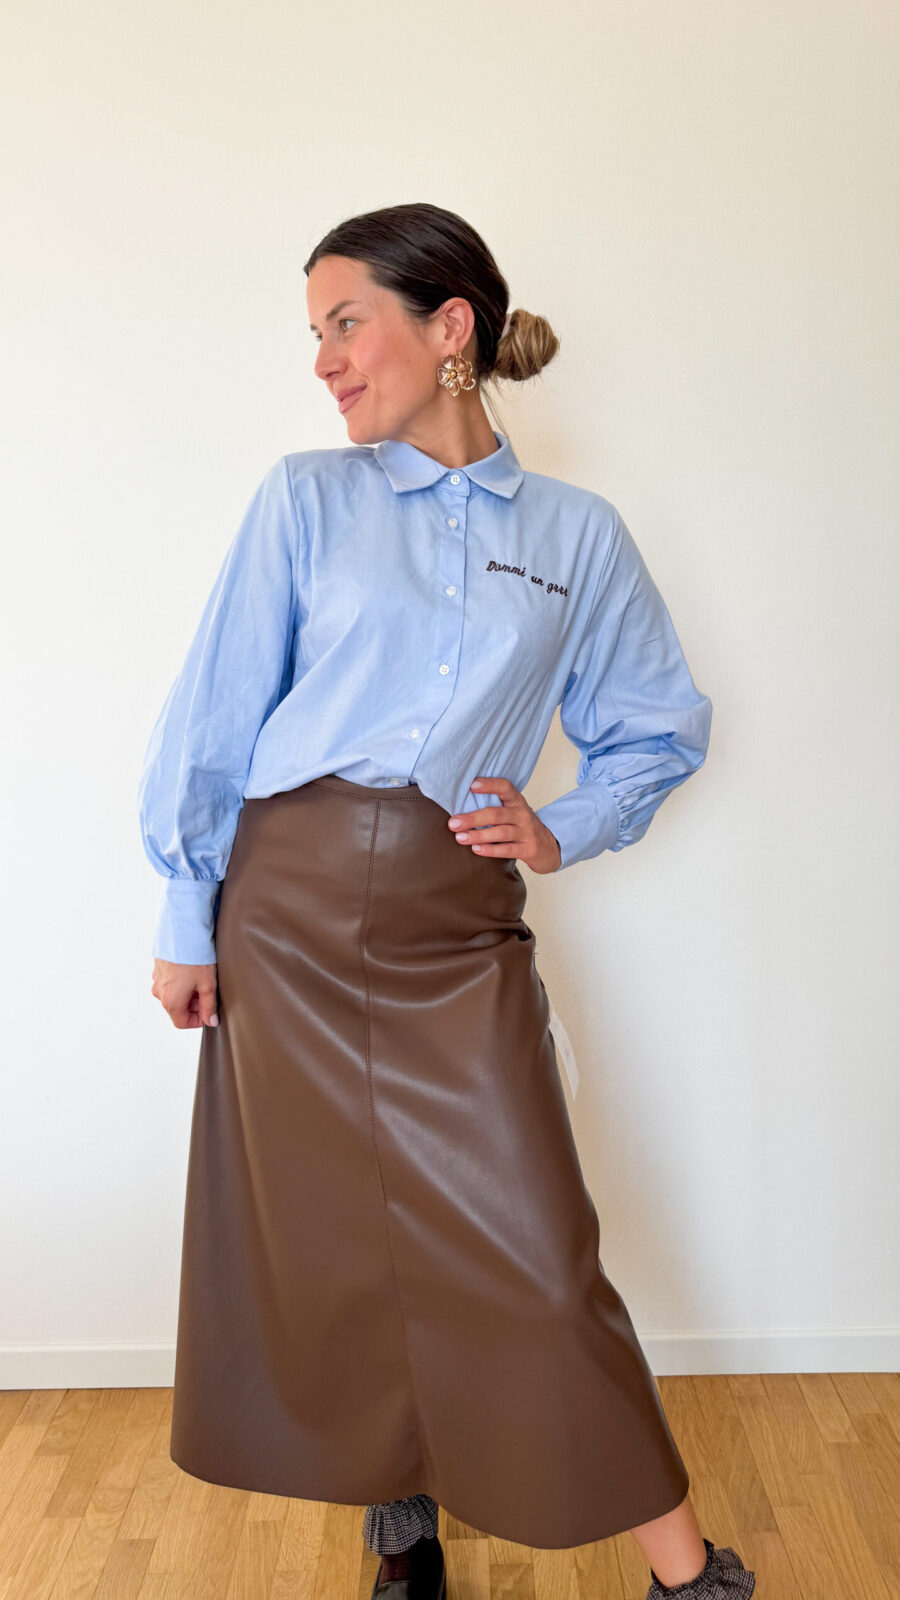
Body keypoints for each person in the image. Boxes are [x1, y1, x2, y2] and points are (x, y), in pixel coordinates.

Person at [137, 202, 756, 1600]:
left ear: (449, 327)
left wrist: (562, 825)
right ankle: (403, 1531)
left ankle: (691, 1577)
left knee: (537, 1249)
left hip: (452, 921)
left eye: (346, 323)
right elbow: (214, 718)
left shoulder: (578, 535)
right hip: (283, 915)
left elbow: (660, 729)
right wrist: (185, 914)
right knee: (334, 1240)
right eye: (316, 333)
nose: (324, 361)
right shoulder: (305, 499)